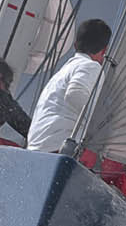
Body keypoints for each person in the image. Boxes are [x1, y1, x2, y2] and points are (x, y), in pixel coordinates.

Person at [26, 19, 111, 153]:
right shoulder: (91, 66)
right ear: (104, 50)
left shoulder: (65, 69)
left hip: (38, 147)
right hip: (58, 147)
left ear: (75, 45)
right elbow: (75, 94)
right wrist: (100, 125)